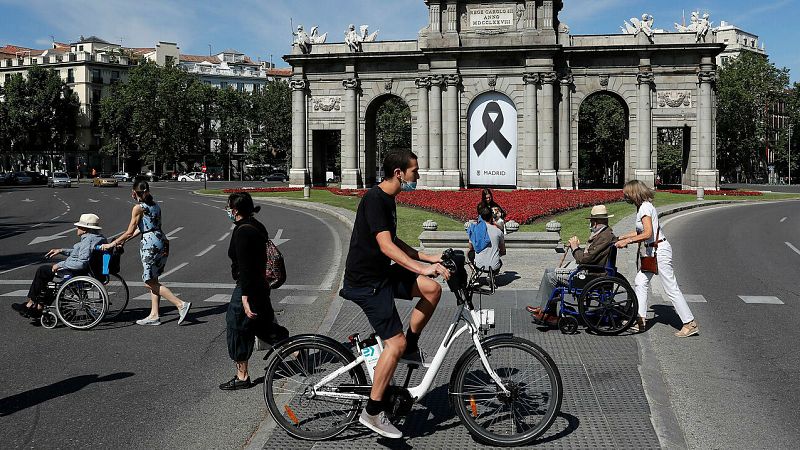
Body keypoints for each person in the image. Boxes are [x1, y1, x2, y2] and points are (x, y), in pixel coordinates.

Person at [340, 150, 450, 439]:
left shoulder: (388, 199)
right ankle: (373, 412)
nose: (418, 175)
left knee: (432, 289)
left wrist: (428, 257)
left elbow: (393, 240)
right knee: (394, 344)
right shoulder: (375, 200)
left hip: (381, 275)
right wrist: (420, 268)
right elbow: (387, 247)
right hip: (366, 282)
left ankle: (410, 346)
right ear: (399, 173)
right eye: (414, 170)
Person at [218, 192, 289, 390]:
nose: (227, 210)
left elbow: (246, 267)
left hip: (248, 286)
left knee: (236, 325)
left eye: (228, 207)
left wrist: (245, 298)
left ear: (236, 210)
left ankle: (242, 377)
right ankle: (298, 352)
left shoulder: (242, 231)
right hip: (261, 284)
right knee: (262, 325)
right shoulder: (256, 225)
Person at [615, 180, 699, 337]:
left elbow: (647, 233)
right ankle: (640, 320)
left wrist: (627, 241)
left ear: (634, 193)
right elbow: (640, 232)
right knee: (640, 281)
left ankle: (690, 323)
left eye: (627, 193)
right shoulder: (642, 207)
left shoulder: (645, 208)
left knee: (671, 288)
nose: (625, 196)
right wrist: (620, 237)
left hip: (659, 250)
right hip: (651, 251)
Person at [101, 179, 191, 326]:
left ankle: (180, 304)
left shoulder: (138, 208)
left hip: (150, 244)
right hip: (161, 239)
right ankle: (154, 315)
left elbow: (130, 231)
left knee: (148, 281)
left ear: (134, 193)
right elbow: (143, 228)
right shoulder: (155, 206)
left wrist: (113, 242)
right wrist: (124, 241)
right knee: (153, 279)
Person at [528, 205, 616, 325]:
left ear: (594, 223)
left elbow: (584, 259)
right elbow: (590, 255)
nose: (590, 224)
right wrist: (578, 248)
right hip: (591, 269)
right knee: (548, 270)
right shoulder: (604, 234)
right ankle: (545, 308)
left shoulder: (604, 236)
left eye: (591, 221)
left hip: (591, 274)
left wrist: (575, 247)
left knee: (551, 277)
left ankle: (546, 312)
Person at [12, 214, 106, 318]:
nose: (77, 228)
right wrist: (61, 251)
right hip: (88, 272)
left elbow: (81, 262)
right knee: (50, 280)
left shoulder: (88, 241)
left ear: (85, 229)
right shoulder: (97, 238)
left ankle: (31, 304)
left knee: (42, 271)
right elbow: (79, 253)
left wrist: (60, 264)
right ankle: (39, 306)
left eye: (79, 226)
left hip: (77, 272)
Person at [468, 205, 506, 275]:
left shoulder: (474, 229)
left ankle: (474, 273)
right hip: (495, 266)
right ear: (491, 216)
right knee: (498, 259)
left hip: (479, 265)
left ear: (481, 217)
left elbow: (470, 248)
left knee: (469, 254)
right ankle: (492, 275)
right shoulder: (498, 231)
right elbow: (503, 251)